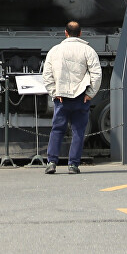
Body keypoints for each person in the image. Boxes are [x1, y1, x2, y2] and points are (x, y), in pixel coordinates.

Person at [41, 20, 102, 174]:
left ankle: (51, 162)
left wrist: (54, 93)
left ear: (65, 33)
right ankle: (73, 165)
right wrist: (90, 93)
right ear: (80, 33)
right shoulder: (88, 50)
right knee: (78, 131)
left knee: (57, 130)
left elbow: (47, 75)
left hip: (61, 98)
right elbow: (96, 74)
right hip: (81, 97)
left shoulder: (55, 50)